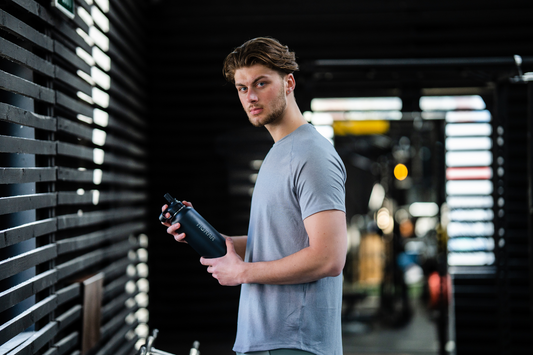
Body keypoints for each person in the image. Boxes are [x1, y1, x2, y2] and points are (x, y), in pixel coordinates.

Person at [162, 37, 347, 355]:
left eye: (261, 83)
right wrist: (208, 236)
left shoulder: (312, 155)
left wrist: (242, 272)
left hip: (293, 344)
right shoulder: (279, 153)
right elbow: (278, 242)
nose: (251, 96)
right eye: (242, 87)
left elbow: (329, 257)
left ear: (289, 83)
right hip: (265, 340)